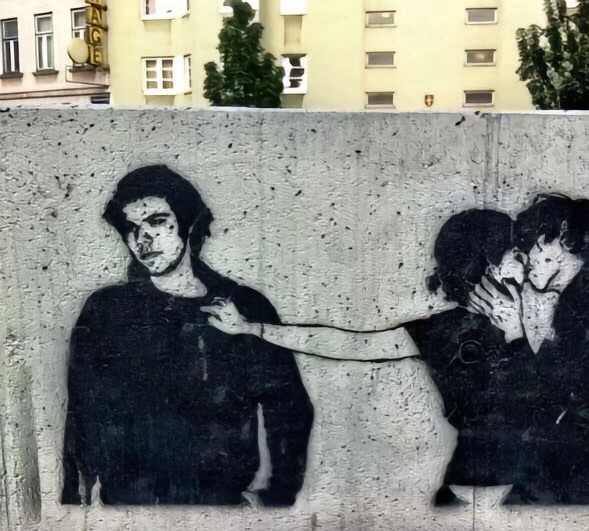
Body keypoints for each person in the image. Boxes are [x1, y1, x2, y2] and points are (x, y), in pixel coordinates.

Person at [202, 209, 530, 506]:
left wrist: (519, 329)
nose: (526, 262)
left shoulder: (538, 320)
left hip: (515, 488)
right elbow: (350, 344)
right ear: (487, 264)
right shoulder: (448, 330)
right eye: (515, 253)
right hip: (475, 491)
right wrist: (251, 327)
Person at [62, 165, 315, 506]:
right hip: (125, 505)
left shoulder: (243, 307)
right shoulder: (106, 309)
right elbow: (81, 415)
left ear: (187, 223)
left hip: (221, 505)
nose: (143, 239)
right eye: (132, 228)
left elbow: (288, 408)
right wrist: (75, 504)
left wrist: (276, 497)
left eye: (156, 221)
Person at [469, 193, 589, 504]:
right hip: (572, 471)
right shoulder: (580, 296)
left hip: (583, 477)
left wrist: (514, 332)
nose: (524, 263)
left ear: (559, 237)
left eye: (527, 248)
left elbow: (549, 402)